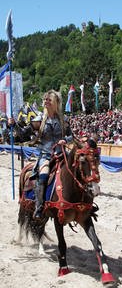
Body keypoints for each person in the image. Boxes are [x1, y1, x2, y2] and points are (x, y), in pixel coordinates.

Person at [9, 90, 72, 219]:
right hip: (46, 156)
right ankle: (39, 206)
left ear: (55, 103)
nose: (46, 101)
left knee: (77, 170)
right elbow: (23, 133)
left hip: (62, 154)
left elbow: (72, 136)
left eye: (49, 100)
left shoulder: (63, 119)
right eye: (45, 99)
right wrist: (14, 125)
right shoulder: (39, 120)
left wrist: (65, 140)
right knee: (43, 176)